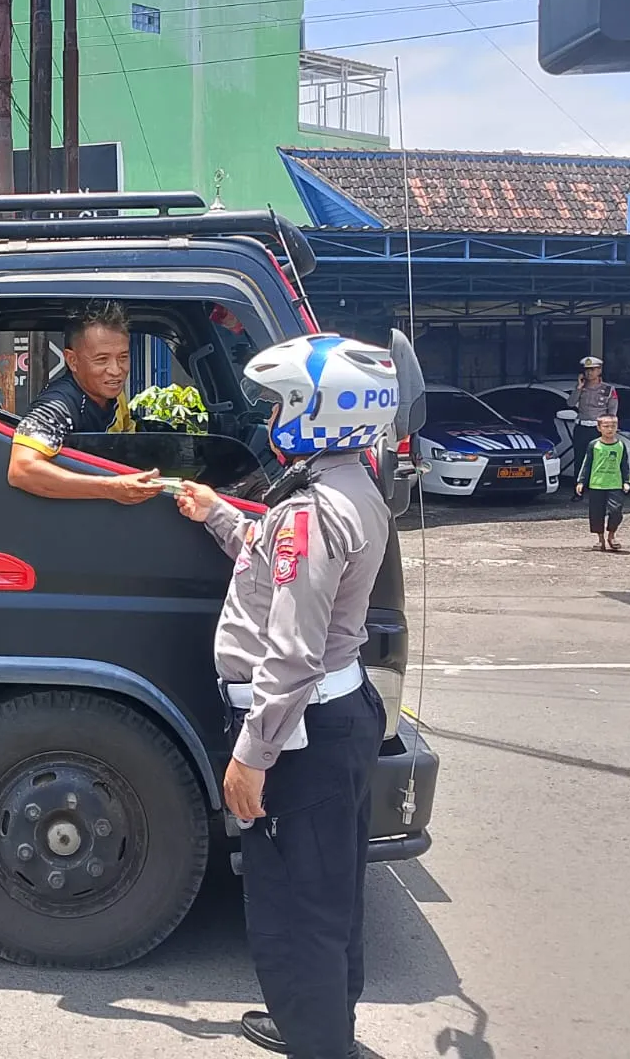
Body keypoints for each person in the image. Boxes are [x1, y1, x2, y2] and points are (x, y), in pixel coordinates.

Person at [174, 334, 399, 1059]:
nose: (272, 418)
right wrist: (218, 513)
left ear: (318, 411)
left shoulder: (313, 510)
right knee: (329, 890)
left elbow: (294, 650)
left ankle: (320, 1042)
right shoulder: (347, 488)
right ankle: (318, 1024)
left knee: (297, 902)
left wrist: (253, 753)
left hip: (301, 729)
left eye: (281, 405)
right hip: (335, 717)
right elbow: (271, 558)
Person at [6, 299, 162, 504]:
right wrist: (111, 488)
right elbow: (21, 470)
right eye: (102, 360)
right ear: (72, 360)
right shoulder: (58, 406)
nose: (116, 370)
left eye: (123, 357)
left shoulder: (115, 394)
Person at [575, 413, 630, 552]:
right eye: (606, 426)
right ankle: (600, 539)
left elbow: (624, 465)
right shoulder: (594, 445)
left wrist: (627, 481)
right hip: (597, 484)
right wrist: (581, 481)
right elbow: (587, 464)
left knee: (616, 511)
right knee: (596, 513)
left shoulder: (621, 445)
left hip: (615, 484)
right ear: (599, 428)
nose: (610, 429)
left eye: (613, 426)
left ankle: (611, 535)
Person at [567, 356, 618, 494]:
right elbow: (570, 403)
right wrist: (578, 387)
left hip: (598, 429)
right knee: (580, 459)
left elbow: (612, 411)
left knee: (599, 459)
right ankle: (579, 490)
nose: (589, 373)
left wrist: (610, 429)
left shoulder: (608, 389)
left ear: (599, 370)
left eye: (593, 369)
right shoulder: (581, 387)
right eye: (587, 370)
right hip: (582, 427)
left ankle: (598, 489)